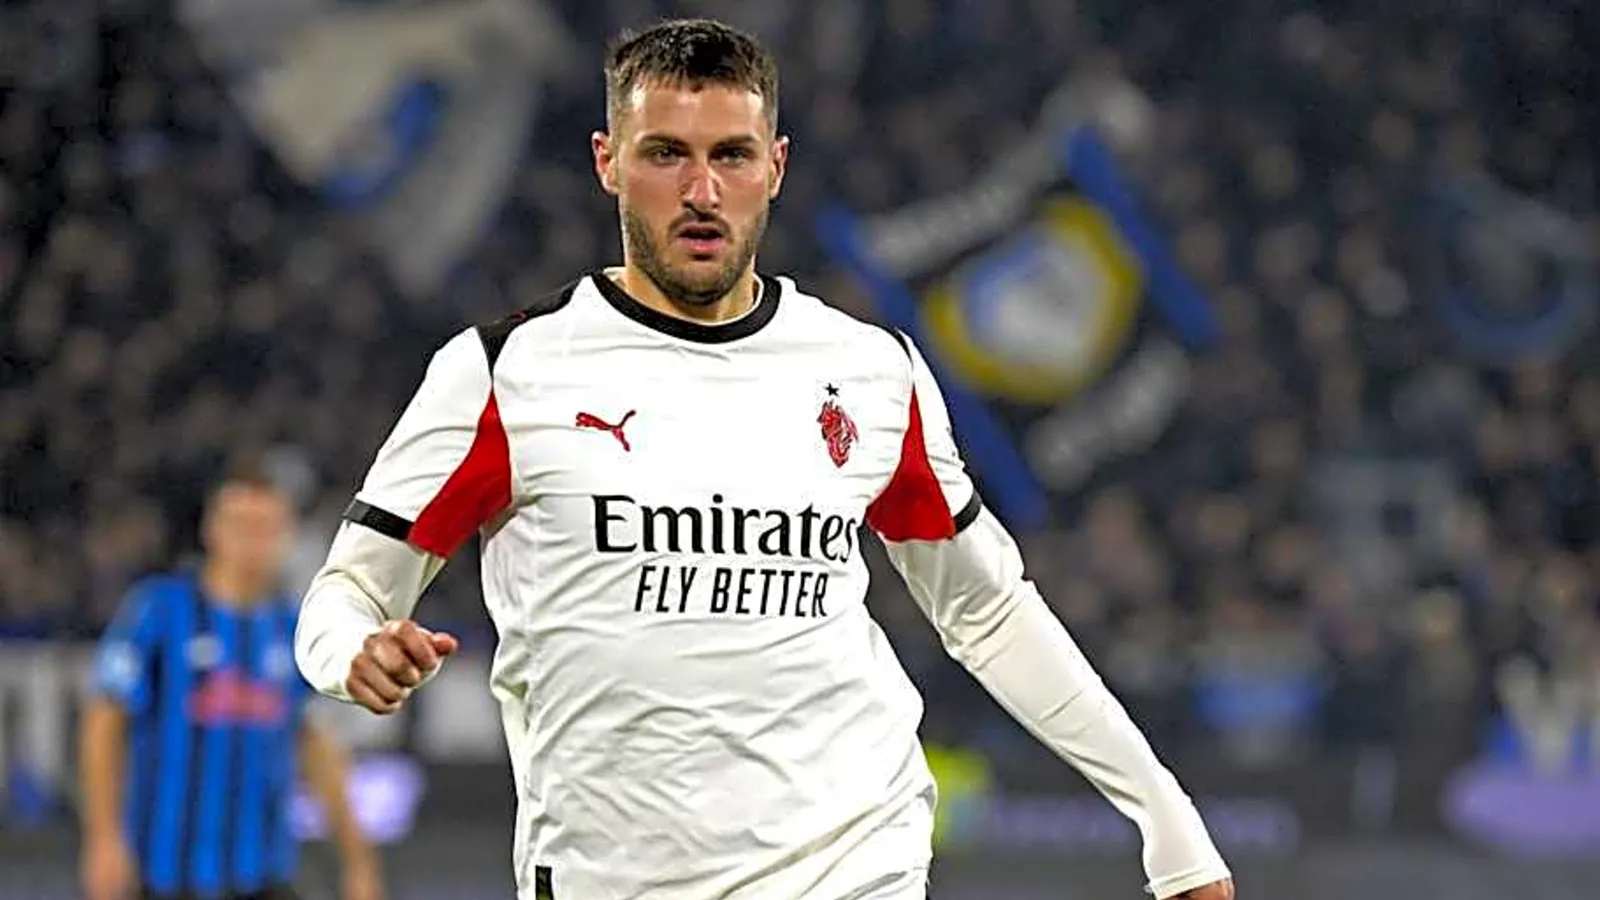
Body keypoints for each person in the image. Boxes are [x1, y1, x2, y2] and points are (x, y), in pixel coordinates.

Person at [294, 17, 1234, 900]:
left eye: (731, 156)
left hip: (854, 863)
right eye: (667, 154)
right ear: (608, 162)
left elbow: (985, 608)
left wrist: (1163, 811)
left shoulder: (868, 370)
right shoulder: (507, 372)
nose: (702, 191)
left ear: (774, 166)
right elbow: (347, 595)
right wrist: (351, 654)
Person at [80, 461, 385, 900]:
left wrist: (358, 860)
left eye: (267, 528)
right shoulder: (159, 611)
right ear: (212, 530)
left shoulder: (295, 629)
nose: (253, 543)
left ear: (286, 536)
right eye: (242, 526)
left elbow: (316, 743)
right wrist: (103, 838)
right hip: (163, 874)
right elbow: (104, 722)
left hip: (263, 875)